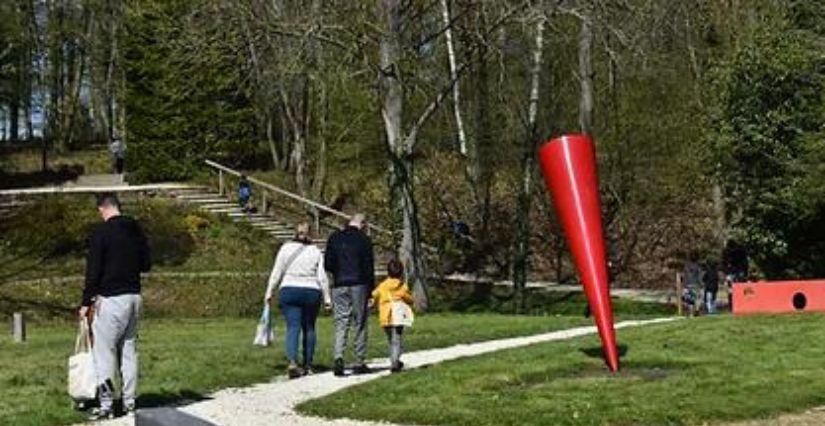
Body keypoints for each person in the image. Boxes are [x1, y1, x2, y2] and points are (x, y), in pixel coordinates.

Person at [79, 193, 150, 420]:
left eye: (99, 211)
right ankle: (130, 402)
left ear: (103, 208)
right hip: (134, 297)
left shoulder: (102, 233)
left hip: (110, 300)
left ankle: (107, 404)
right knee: (129, 352)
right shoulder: (135, 230)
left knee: (104, 353)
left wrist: (85, 302)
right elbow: (146, 264)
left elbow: (93, 271)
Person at [265, 223, 331, 378]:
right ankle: (308, 364)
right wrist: (327, 297)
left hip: (289, 290)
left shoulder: (285, 249)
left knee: (293, 326)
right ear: (310, 234)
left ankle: (293, 362)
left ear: (294, 233)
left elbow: (277, 272)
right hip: (311, 291)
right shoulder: (316, 251)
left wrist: (269, 291)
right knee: (309, 327)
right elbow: (322, 277)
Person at [324, 213, 375, 376]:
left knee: (341, 321)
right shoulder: (364, 240)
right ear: (363, 224)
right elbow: (369, 267)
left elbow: (328, 263)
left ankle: (338, 356)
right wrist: (371, 291)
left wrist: (338, 273)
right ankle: (359, 361)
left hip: (339, 284)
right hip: (359, 283)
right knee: (359, 322)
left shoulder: (334, 237)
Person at [369, 259, 413, 373]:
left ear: (388, 272)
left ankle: (395, 360)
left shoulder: (382, 285)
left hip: (385, 316)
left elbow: (374, 295)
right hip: (398, 315)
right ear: (401, 273)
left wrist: (371, 304)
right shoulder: (402, 286)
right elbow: (409, 299)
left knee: (391, 339)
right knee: (396, 339)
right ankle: (395, 362)